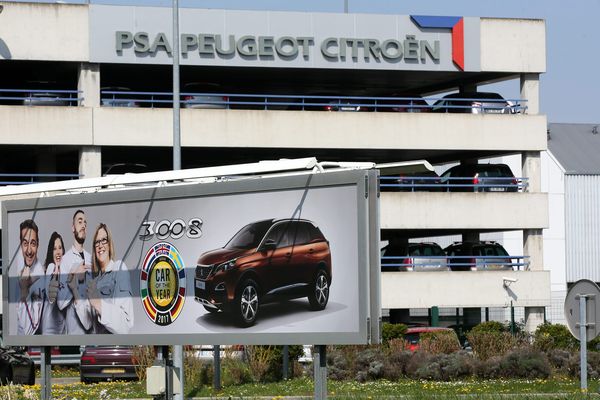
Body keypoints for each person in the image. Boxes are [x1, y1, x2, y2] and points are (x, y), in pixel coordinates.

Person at [87, 223, 133, 334]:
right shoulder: (94, 282)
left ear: (109, 244)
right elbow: (88, 325)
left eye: (104, 240)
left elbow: (125, 326)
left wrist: (98, 304)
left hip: (114, 349)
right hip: (95, 349)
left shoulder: (119, 268)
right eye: (97, 242)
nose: (100, 245)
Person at [62, 209, 93, 334]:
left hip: (93, 334)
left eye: (85, 223)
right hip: (74, 335)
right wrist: (74, 276)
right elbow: (60, 303)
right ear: (73, 227)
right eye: (80, 222)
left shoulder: (91, 259)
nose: (83, 225)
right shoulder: (65, 260)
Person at [17, 219, 44, 335]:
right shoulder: (19, 265)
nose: (28, 250)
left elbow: (30, 331)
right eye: (25, 243)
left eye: (33, 243)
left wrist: (24, 290)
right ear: (21, 244)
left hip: (29, 349)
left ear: (38, 245)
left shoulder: (40, 279)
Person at [41, 232, 68, 335]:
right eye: (54, 248)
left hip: (63, 329)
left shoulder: (65, 272)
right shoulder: (50, 268)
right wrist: (55, 275)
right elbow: (50, 296)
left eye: (60, 248)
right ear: (50, 252)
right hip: (49, 329)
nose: (58, 252)